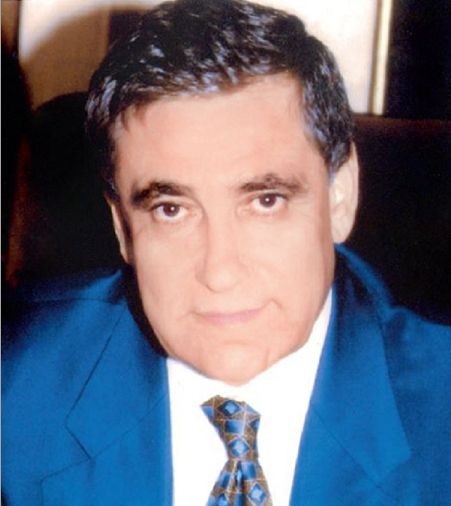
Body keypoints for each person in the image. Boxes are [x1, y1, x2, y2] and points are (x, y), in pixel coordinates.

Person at [3, 1, 450, 504]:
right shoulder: (17, 391)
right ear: (123, 227)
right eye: (171, 209)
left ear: (340, 196)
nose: (220, 271)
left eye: (265, 201)